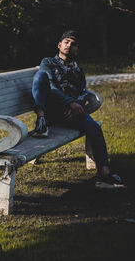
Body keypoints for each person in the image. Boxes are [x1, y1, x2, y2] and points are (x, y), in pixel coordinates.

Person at [32, 30, 125, 189]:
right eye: (66, 42)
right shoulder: (48, 63)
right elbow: (52, 88)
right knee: (40, 76)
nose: (69, 45)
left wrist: (77, 106)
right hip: (52, 112)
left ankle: (104, 174)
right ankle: (41, 121)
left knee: (94, 127)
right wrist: (70, 103)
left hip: (71, 113)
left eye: (73, 44)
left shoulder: (77, 70)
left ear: (77, 49)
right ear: (59, 45)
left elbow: (84, 92)